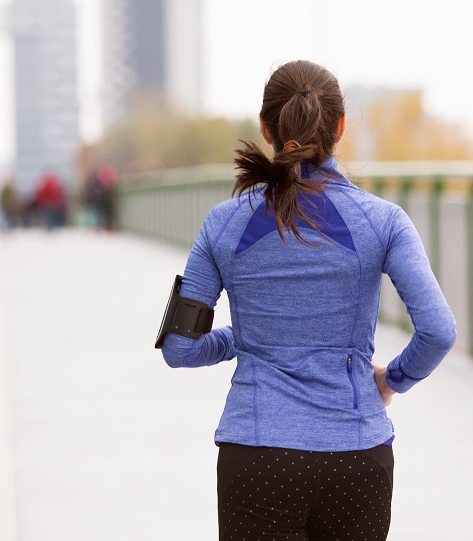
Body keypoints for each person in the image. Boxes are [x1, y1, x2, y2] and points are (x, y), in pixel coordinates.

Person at [159, 60, 457, 540]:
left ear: (265, 128)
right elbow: (439, 332)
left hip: (256, 456)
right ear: (340, 127)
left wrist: (246, 337)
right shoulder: (384, 221)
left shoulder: (222, 223)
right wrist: (392, 381)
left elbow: (180, 348)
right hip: (358, 455)